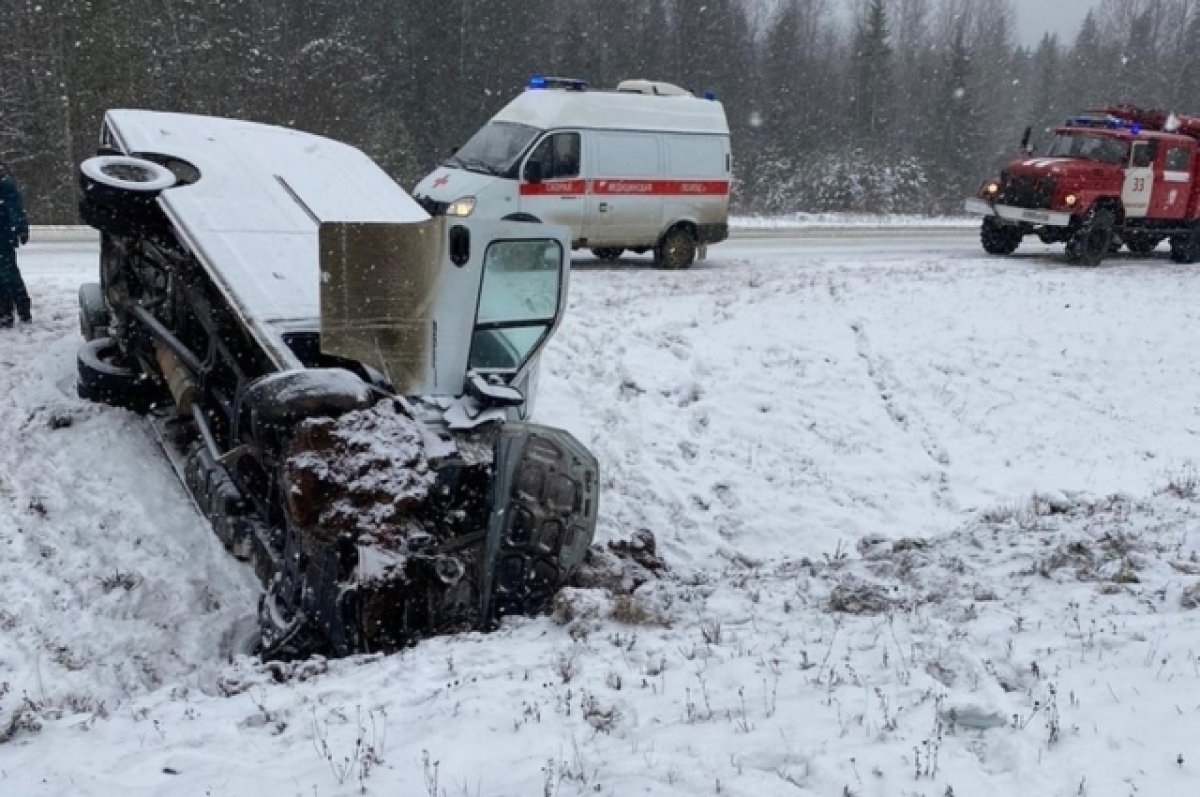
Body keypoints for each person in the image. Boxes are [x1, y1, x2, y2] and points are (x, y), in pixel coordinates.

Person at [0, 160, 31, 327]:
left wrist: (20, 228)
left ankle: (22, 309)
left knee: (9, 275)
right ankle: (6, 312)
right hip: (4, 235)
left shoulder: (6, 186)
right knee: (6, 276)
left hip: (3, 237)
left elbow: (15, 208)